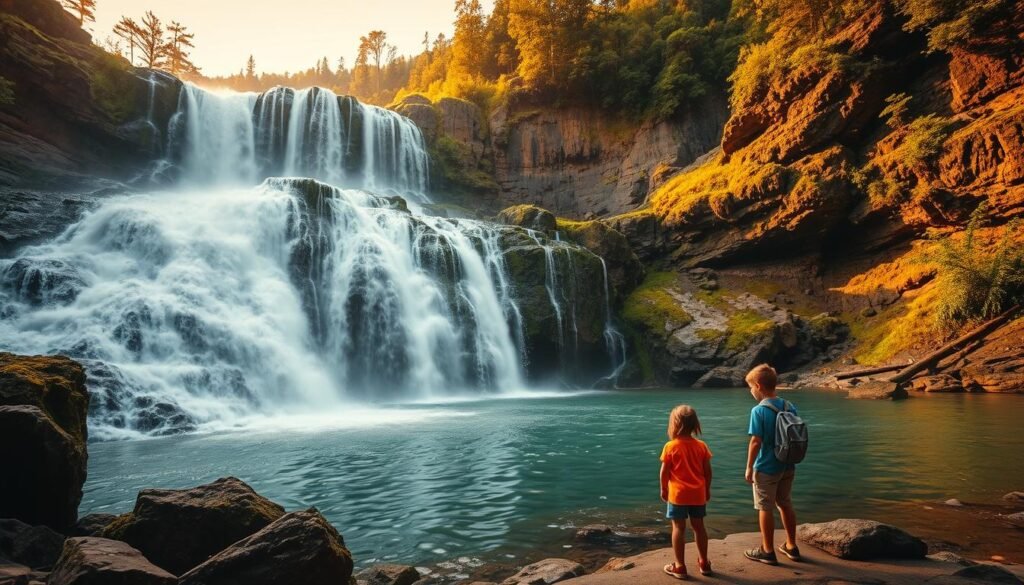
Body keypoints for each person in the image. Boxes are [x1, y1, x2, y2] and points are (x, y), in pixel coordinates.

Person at [743, 363, 801, 565]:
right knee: (785, 503)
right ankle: (791, 546)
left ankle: (767, 550)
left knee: (764, 507)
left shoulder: (758, 411)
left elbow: (755, 441)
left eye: (750, 387)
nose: (751, 391)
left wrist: (749, 467)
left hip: (766, 467)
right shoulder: (789, 405)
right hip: (788, 464)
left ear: (758, 385)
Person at [660, 404, 713, 579]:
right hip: (698, 494)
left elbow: (664, 472)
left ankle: (680, 566)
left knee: (678, 528)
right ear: (695, 424)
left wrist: (663, 488)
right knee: (699, 527)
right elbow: (707, 471)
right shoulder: (702, 446)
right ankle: (704, 563)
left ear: (673, 424)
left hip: (678, 495)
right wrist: (707, 489)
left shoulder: (670, 446)